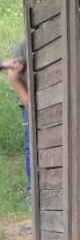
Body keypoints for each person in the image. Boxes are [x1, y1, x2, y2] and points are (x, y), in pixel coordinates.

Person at [2, 40, 30, 192]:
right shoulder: (23, 45)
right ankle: (31, 191)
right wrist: (27, 102)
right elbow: (13, 75)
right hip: (30, 106)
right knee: (30, 148)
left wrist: (4, 64)